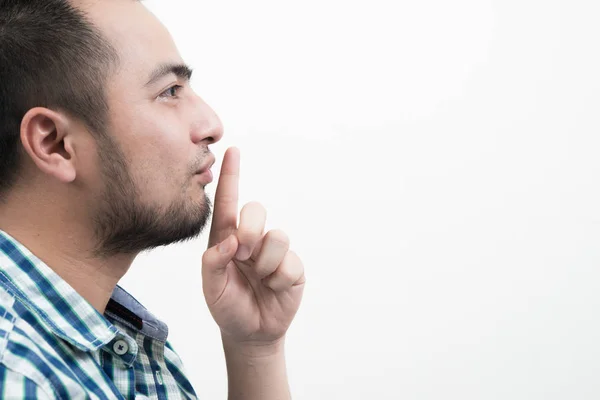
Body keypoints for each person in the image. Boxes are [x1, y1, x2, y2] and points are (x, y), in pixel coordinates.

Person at [0, 0, 306, 398]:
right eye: (170, 91)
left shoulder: (119, 345)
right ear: (54, 143)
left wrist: (255, 350)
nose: (212, 125)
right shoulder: (19, 372)